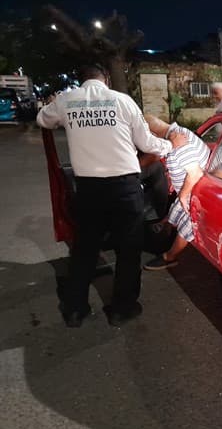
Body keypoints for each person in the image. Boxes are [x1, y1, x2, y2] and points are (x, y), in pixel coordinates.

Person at [37, 63, 188, 328]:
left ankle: (75, 310)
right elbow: (146, 143)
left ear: (80, 80)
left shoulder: (67, 100)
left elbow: (42, 119)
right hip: (123, 188)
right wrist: (170, 145)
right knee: (128, 249)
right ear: (105, 79)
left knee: (85, 249)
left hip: (88, 189)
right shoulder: (122, 101)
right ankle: (122, 308)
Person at [143, 115, 210, 270]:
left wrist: (183, 195)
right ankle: (164, 239)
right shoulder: (173, 137)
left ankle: (170, 257)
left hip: (197, 192)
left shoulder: (180, 143)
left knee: (187, 225)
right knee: (173, 214)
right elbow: (157, 154)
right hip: (193, 189)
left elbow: (195, 174)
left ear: (152, 134)